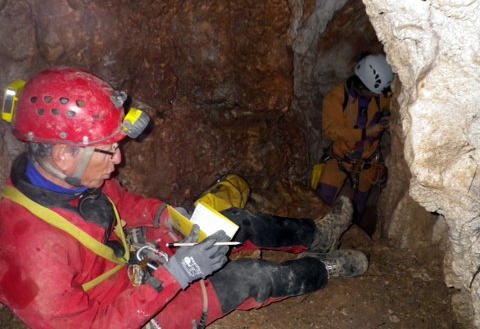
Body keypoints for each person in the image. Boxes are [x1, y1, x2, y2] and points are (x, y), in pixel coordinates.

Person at [0, 67, 368, 329]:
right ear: (64, 153)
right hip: (120, 314)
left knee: (237, 222)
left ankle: (318, 236)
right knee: (245, 279)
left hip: (131, 267)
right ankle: (325, 269)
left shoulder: (70, 177)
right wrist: (177, 275)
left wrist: (165, 216)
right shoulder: (29, 254)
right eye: (107, 151)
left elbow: (121, 204)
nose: (118, 159)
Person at [316, 53, 393, 224]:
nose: (375, 96)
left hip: (368, 163)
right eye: (372, 92)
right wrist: (365, 133)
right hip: (340, 159)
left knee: (358, 209)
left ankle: (354, 237)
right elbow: (330, 130)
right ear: (362, 85)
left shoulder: (380, 98)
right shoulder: (336, 98)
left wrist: (388, 120)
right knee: (322, 204)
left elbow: (392, 106)